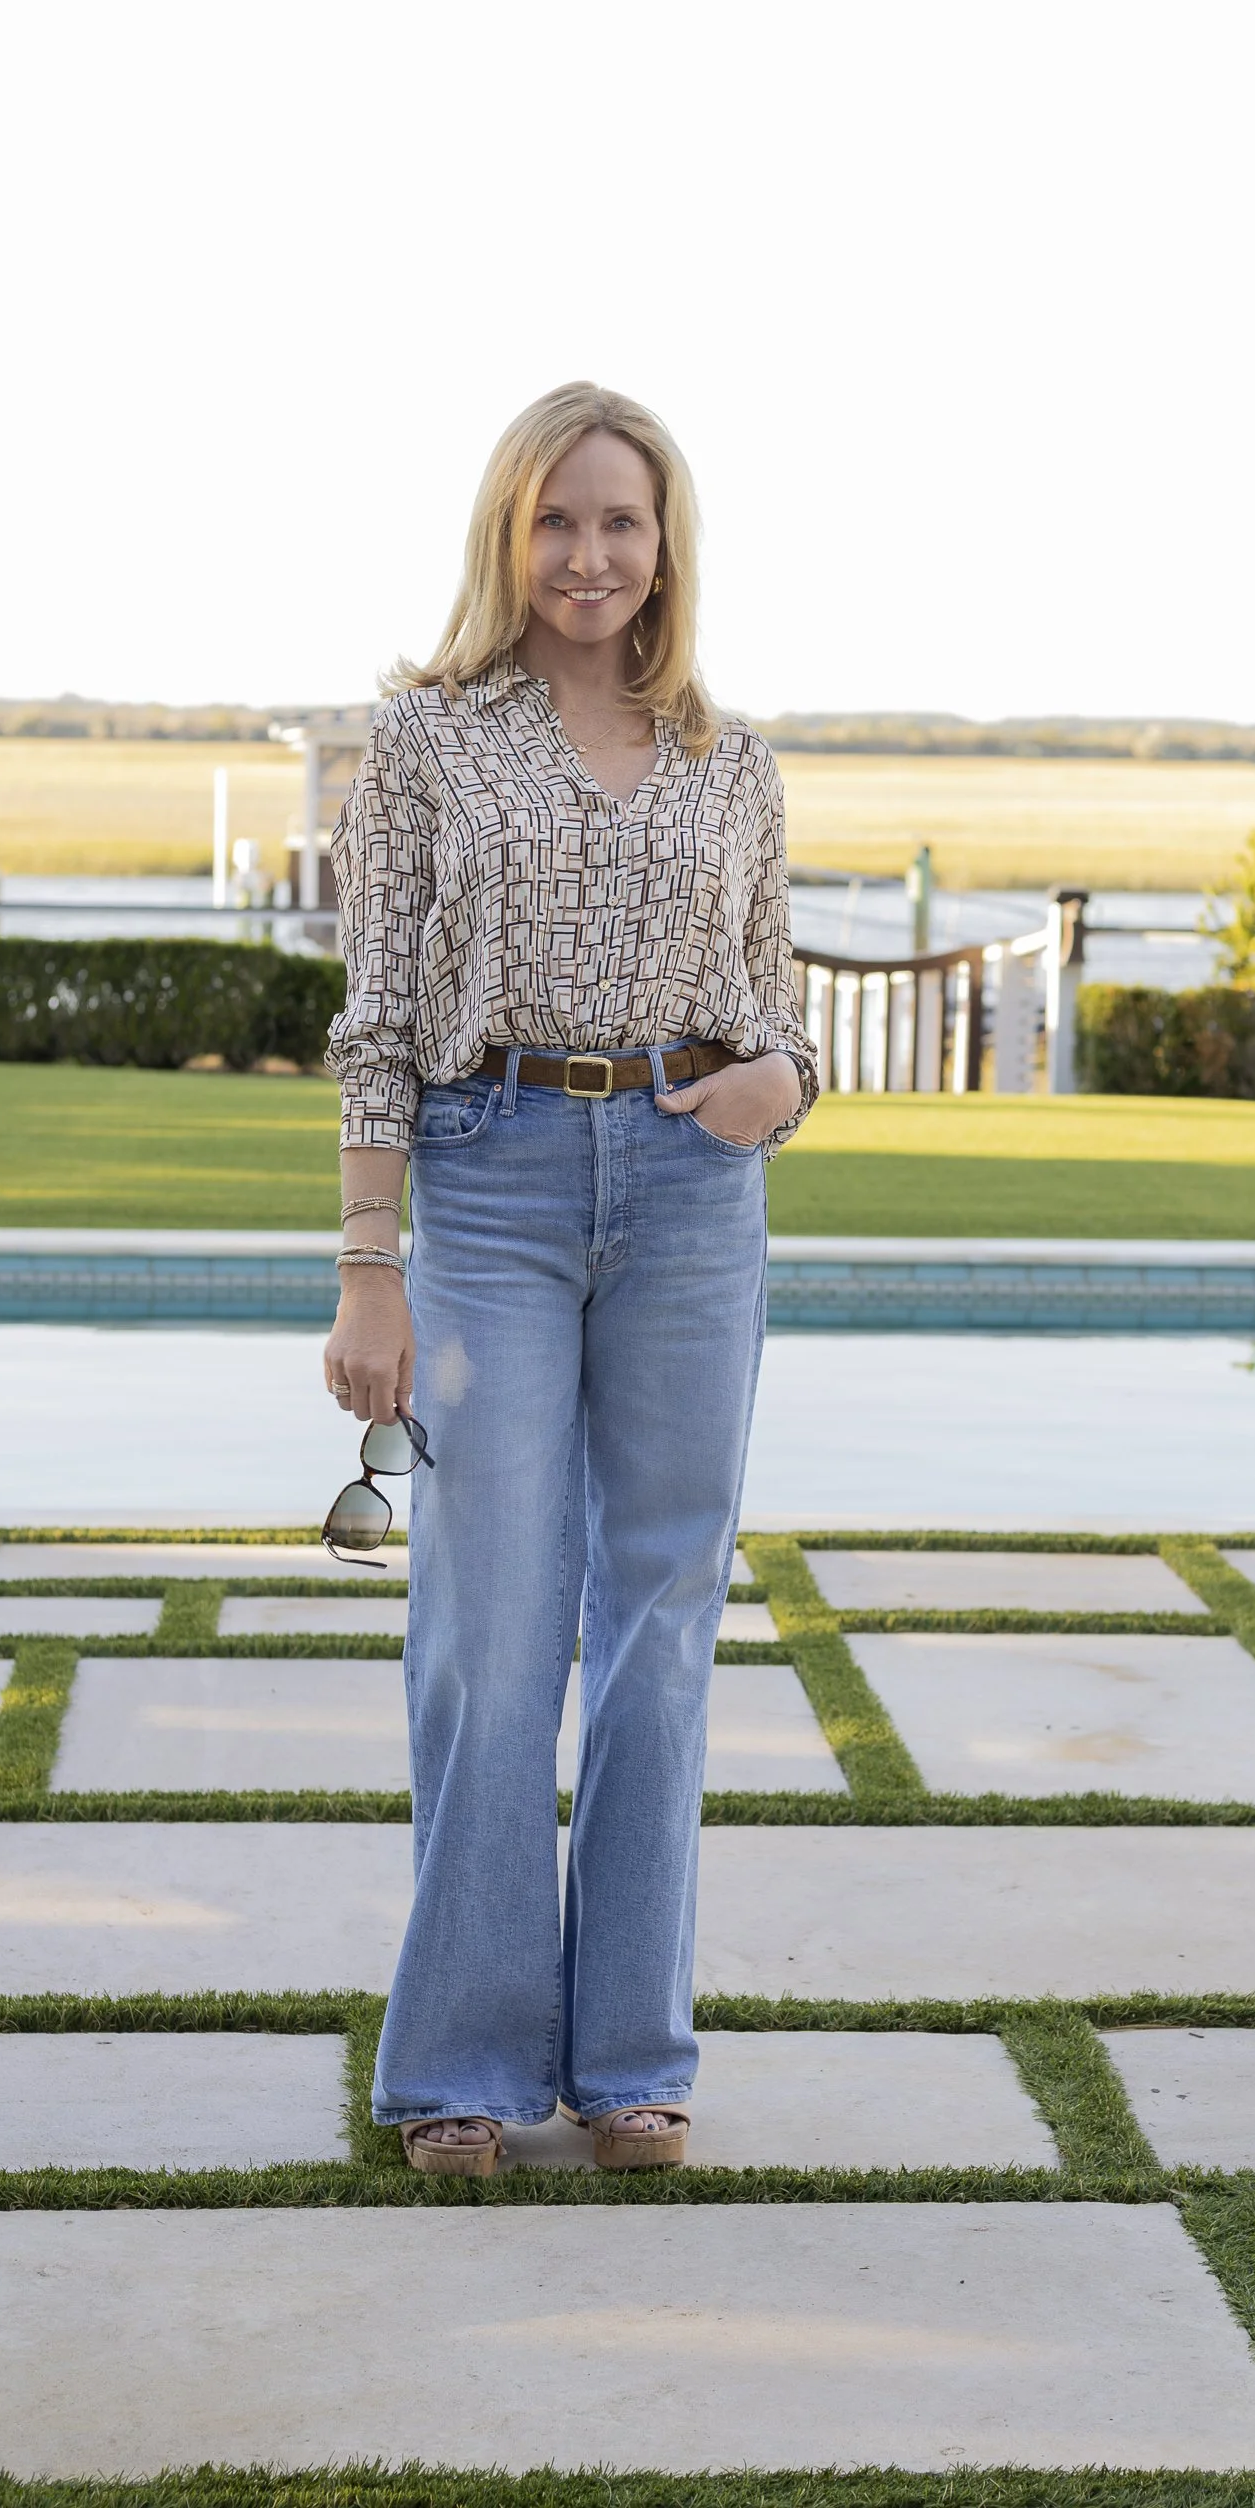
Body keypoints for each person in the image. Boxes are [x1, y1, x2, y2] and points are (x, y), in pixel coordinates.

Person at [323, 379, 817, 2176]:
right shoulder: (431, 742)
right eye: (557, 521)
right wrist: (368, 1265)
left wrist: (789, 1088)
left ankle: (630, 2060)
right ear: (505, 538)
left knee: (663, 1621)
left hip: (694, 1192)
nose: (591, 555)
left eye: (621, 520)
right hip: (493, 1184)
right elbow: (374, 1023)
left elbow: (772, 1005)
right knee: (488, 1622)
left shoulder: (733, 757)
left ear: (665, 537)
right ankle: (458, 2065)